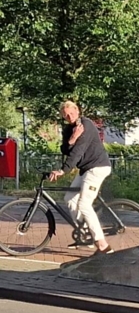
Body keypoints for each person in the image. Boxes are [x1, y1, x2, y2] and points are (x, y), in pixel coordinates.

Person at [47, 101, 113, 254]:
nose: (69, 117)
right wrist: (72, 139)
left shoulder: (86, 125)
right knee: (70, 199)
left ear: (77, 111)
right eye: (65, 115)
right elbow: (65, 149)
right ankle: (85, 235)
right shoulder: (69, 129)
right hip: (85, 169)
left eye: (71, 113)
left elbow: (78, 151)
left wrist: (64, 170)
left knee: (84, 204)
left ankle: (103, 244)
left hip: (97, 167)